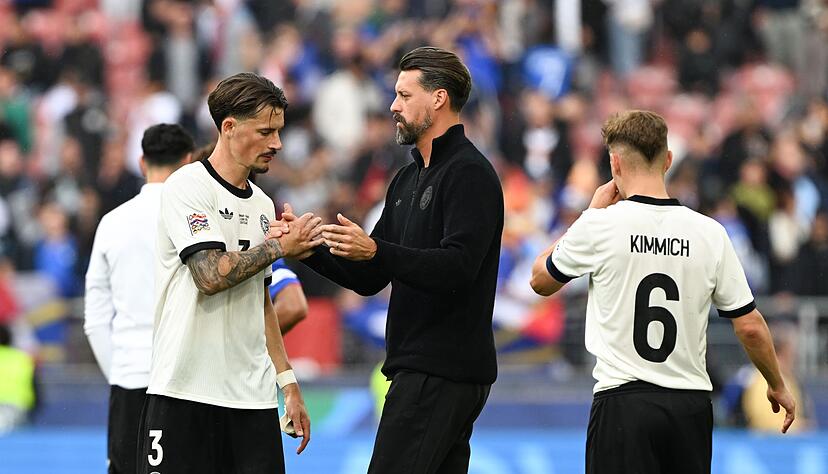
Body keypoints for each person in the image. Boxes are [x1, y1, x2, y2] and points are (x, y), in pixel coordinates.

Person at [529, 110, 796, 474]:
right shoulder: (710, 233)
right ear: (668, 160)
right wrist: (776, 383)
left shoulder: (601, 226)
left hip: (623, 404)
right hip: (689, 408)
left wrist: (588, 214)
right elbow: (748, 325)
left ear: (614, 163)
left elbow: (540, 280)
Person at [284, 46, 504, 473]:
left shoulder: (469, 173)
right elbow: (370, 275)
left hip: (441, 371)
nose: (393, 106)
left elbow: (458, 268)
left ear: (438, 98)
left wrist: (377, 250)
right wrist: (308, 247)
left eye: (404, 95)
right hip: (423, 370)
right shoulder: (406, 178)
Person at [138, 72, 322, 474]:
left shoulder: (262, 204)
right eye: (265, 132)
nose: (277, 143)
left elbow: (262, 302)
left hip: (250, 401)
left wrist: (287, 382)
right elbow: (209, 276)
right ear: (229, 127)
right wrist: (278, 247)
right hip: (184, 392)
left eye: (279, 132)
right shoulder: (187, 186)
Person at [83, 123, 194, 474]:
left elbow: (95, 318)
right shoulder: (198, 222)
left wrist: (120, 370)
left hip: (130, 378)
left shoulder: (113, 223)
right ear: (189, 161)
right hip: (187, 381)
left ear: (142, 162)